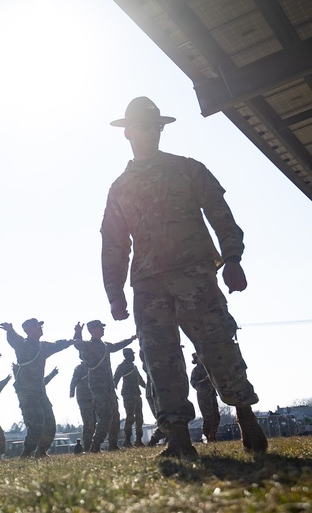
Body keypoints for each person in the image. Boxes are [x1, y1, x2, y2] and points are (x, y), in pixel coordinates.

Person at [100, 96, 266, 459]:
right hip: (147, 284)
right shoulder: (120, 187)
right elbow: (113, 242)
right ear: (128, 132)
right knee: (159, 359)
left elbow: (221, 214)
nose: (153, 132)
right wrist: (114, 293)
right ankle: (177, 435)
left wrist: (233, 258)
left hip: (194, 274)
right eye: (145, 126)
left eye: (157, 126)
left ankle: (244, 413)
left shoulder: (188, 169)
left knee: (218, 344)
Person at [0, 319, 75, 458]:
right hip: (26, 391)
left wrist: (73, 340)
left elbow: (58, 345)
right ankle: (27, 453)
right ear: (28, 330)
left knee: (50, 423)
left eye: (41, 325)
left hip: (40, 391)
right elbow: (14, 340)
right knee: (37, 422)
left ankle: (41, 452)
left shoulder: (43, 347)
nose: (40, 328)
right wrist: (10, 331)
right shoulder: (22, 344)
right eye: (36, 326)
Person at [74, 320, 136, 452]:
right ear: (91, 330)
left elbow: (116, 346)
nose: (103, 329)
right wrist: (78, 332)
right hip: (98, 386)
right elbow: (78, 345)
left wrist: (130, 340)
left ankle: (113, 444)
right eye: (100, 327)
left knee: (115, 416)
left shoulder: (105, 345)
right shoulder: (89, 345)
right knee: (105, 415)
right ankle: (95, 445)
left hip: (109, 386)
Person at [114, 348, 148, 447]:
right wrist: (113, 391)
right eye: (132, 355)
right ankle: (127, 440)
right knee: (130, 417)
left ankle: (138, 440)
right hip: (128, 394)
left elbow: (140, 380)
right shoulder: (122, 366)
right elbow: (115, 379)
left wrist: (147, 387)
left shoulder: (134, 367)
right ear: (127, 355)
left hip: (137, 394)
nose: (134, 356)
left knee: (139, 418)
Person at [190, 353, 221, 443]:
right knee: (208, 417)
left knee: (216, 416)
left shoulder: (209, 368)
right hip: (203, 396)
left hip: (212, 394)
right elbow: (194, 383)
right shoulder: (196, 370)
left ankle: (213, 435)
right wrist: (205, 380)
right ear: (196, 360)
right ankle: (206, 435)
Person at [69, 363, 95, 451]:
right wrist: (71, 390)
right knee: (88, 422)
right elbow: (74, 379)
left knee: (94, 421)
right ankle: (87, 446)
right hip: (84, 398)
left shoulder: (93, 365)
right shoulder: (80, 368)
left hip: (93, 398)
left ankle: (91, 445)